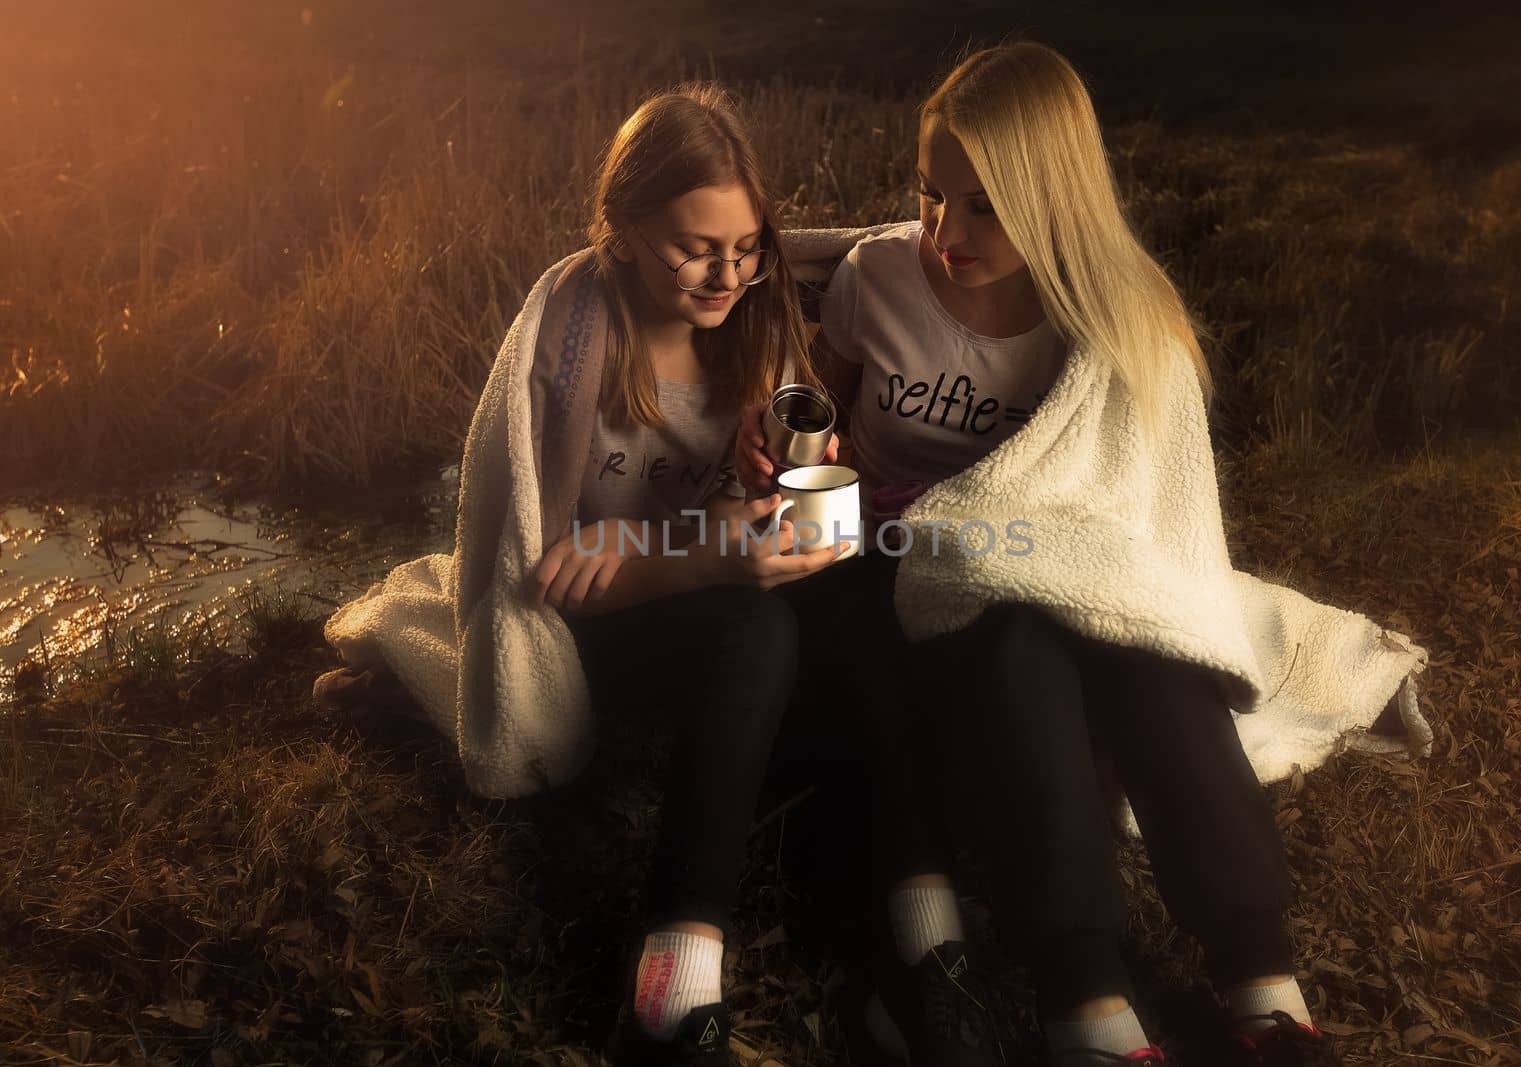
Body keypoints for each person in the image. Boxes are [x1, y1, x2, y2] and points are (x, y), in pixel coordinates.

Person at [737, 43, 1352, 1067]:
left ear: (1055, 198)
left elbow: (1147, 511)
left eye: (984, 205)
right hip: (917, 557)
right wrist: (793, 443)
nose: (945, 232)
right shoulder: (876, 276)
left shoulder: (1120, 317)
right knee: (1019, 645)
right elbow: (822, 413)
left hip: (1069, 551)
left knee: (1157, 658)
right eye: (930, 194)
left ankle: (1263, 982)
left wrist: (1122, 587)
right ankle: (1086, 998)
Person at [492, 84, 849, 1066]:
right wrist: (706, 552)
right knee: (757, 630)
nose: (724, 273)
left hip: (709, 585)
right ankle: (670, 990)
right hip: (614, 619)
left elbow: (822, 518)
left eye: (744, 245)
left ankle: (910, 926)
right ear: (621, 230)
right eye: (694, 248)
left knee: (845, 613)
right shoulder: (575, 328)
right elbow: (543, 572)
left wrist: (803, 497)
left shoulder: (763, 307)